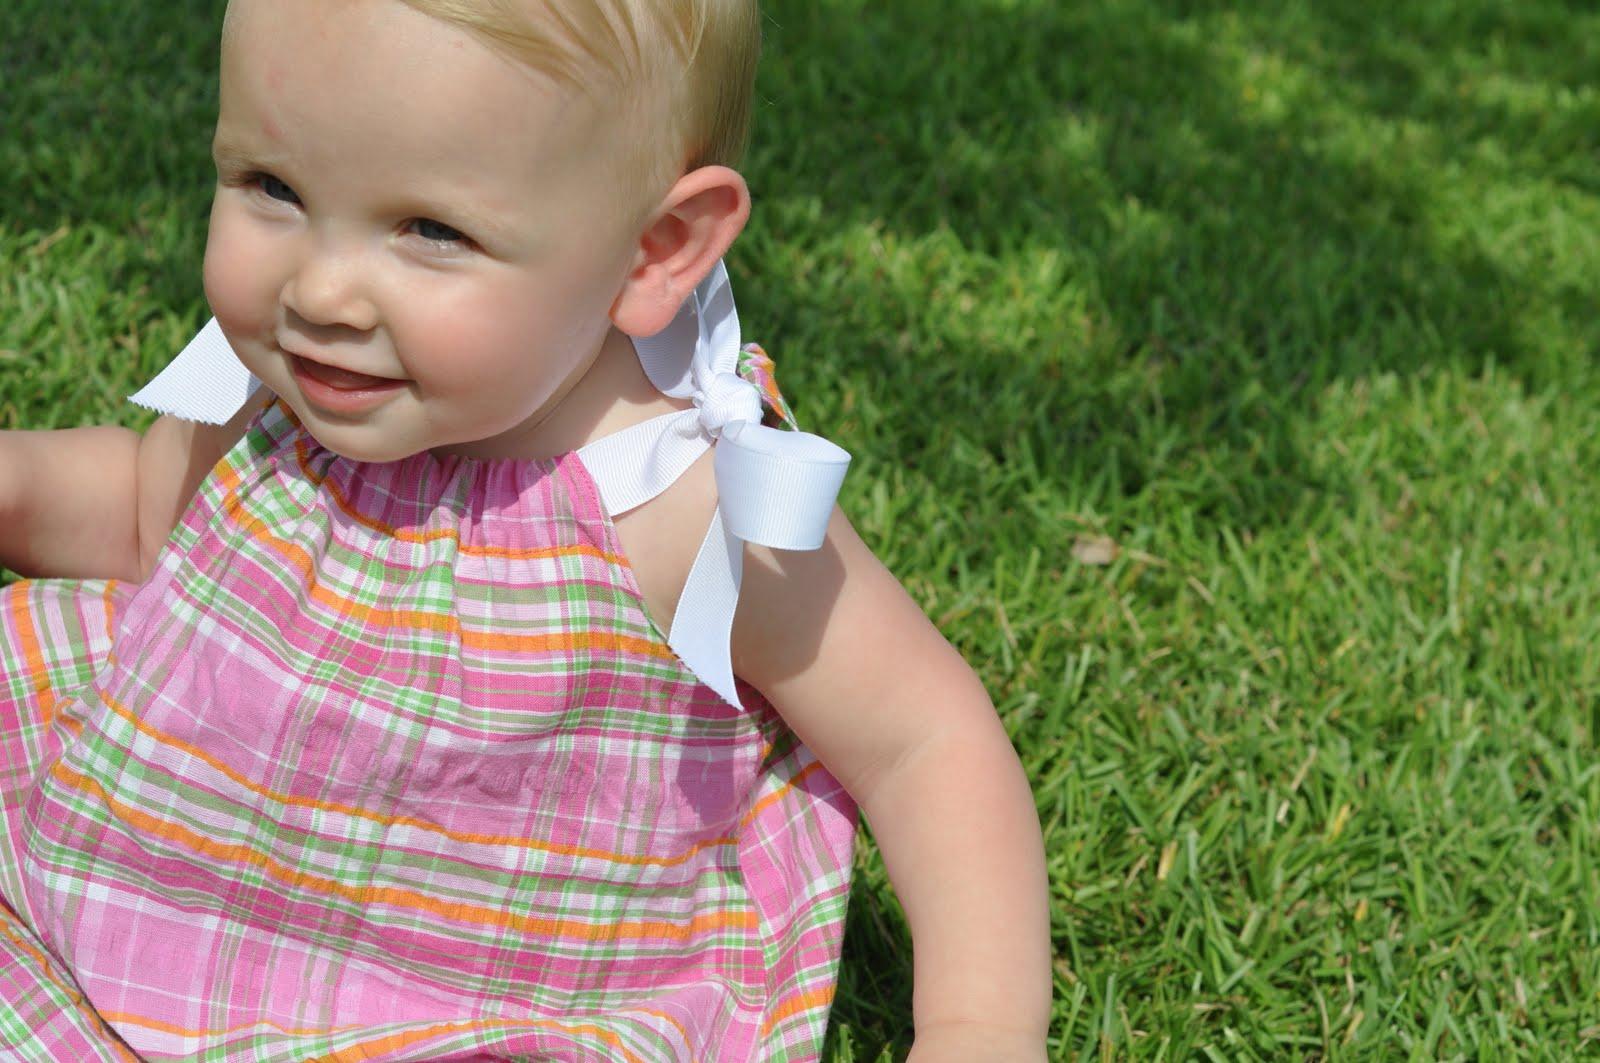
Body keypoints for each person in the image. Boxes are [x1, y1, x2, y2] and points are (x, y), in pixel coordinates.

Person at [0, 0, 1050, 1058]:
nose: (320, 291)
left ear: (655, 251)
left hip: (485, 991)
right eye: (274, 188)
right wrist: (22, 484)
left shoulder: (682, 507)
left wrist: (979, 1028)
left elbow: (925, 745)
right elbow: (148, 514)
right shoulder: (300, 381)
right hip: (148, 885)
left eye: (432, 230)